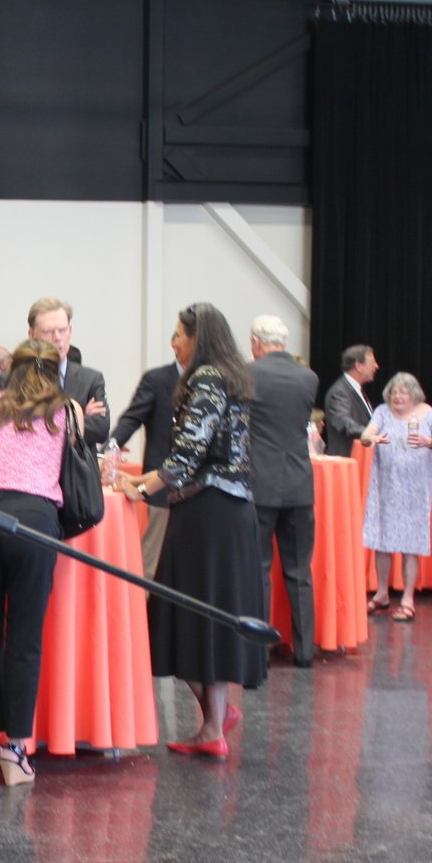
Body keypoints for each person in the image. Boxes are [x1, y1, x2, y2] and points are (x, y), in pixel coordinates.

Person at [116, 303, 267, 759]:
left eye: (179, 334)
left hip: (207, 516)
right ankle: (215, 720)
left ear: (198, 338)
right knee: (205, 615)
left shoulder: (205, 379)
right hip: (228, 510)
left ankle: (212, 728)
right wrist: (143, 481)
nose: (173, 342)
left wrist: (141, 491)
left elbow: (186, 456)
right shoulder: (234, 377)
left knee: (188, 614)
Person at [0, 339, 78, 786]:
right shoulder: (63, 412)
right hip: (33, 522)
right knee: (24, 642)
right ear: (55, 372)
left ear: (8, 369)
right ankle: (16, 754)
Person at [247, 315, 319, 667]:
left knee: (259, 569)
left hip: (259, 484)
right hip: (298, 485)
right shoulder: (308, 378)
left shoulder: (248, 374)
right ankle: (305, 652)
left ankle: (258, 650)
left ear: (257, 342)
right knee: (299, 571)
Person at [360, 373, 432, 624]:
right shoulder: (382, 412)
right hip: (385, 486)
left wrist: (430, 441)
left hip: (415, 489)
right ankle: (381, 593)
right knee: (382, 540)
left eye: (403, 392)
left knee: (410, 544)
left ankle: (408, 599)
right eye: (394, 393)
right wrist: (371, 439)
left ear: (414, 394)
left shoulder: (430, 415)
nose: (398, 397)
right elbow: (365, 435)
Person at [108, 327, 185, 574]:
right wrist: (110, 449)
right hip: (160, 483)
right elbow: (132, 418)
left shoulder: (211, 383)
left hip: (197, 489)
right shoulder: (158, 379)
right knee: (152, 557)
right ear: (175, 344)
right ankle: (144, 608)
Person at [28, 297, 109, 446]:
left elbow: (101, 429)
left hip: (76, 467)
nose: (57, 338)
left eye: (62, 330)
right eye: (48, 331)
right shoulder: (17, 379)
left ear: (70, 331)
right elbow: (20, 429)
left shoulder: (90, 378)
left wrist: (45, 422)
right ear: (32, 335)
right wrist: (80, 417)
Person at [323, 345, 379, 457]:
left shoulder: (356, 389)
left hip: (360, 459)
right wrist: (366, 433)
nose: (376, 366)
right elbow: (342, 421)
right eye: (372, 362)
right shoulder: (340, 391)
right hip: (347, 461)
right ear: (359, 366)